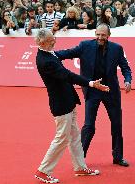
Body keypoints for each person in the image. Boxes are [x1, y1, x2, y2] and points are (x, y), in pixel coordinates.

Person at [34, 29, 109, 183]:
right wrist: (90, 83)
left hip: (68, 101)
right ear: (42, 43)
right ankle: (43, 170)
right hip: (60, 104)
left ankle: (80, 167)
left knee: (75, 136)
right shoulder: (45, 60)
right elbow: (67, 75)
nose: (54, 41)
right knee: (61, 138)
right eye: (51, 40)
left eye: (53, 37)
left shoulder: (49, 53)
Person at [55, 24, 132, 167]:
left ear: (109, 35)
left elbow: (125, 67)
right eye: (98, 34)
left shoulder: (117, 49)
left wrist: (128, 80)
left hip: (110, 91)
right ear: (95, 34)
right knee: (89, 125)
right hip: (92, 90)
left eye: (103, 35)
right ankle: (80, 157)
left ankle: (118, 156)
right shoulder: (85, 46)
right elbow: (68, 53)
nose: (100, 38)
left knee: (116, 124)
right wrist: (51, 54)